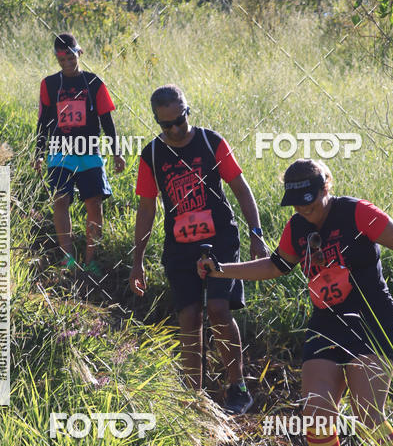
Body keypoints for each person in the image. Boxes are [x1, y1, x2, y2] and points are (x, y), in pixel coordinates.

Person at [198, 158, 393, 446]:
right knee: (316, 414)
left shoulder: (357, 212)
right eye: (296, 203)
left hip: (372, 321)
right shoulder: (296, 227)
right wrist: (220, 269)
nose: (304, 208)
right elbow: (276, 266)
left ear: (326, 186)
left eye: (309, 200)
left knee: (368, 414)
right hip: (326, 323)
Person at [129, 84, 266, 414]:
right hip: (179, 246)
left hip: (219, 239)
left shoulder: (210, 142)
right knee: (189, 317)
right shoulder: (151, 155)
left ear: (187, 111)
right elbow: (146, 209)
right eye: (166, 125)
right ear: (157, 123)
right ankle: (195, 398)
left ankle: (238, 387)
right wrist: (137, 261)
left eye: (180, 120)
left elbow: (241, 189)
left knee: (219, 309)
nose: (175, 129)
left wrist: (256, 233)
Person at [33, 33, 125, 279]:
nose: (66, 62)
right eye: (60, 58)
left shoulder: (94, 83)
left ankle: (90, 261)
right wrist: (38, 153)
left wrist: (117, 152)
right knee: (60, 201)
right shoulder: (50, 84)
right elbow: (44, 122)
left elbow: (107, 121)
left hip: (89, 150)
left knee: (94, 203)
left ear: (79, 53)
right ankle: (68, 258)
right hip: (60, 151)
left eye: (70, 56)